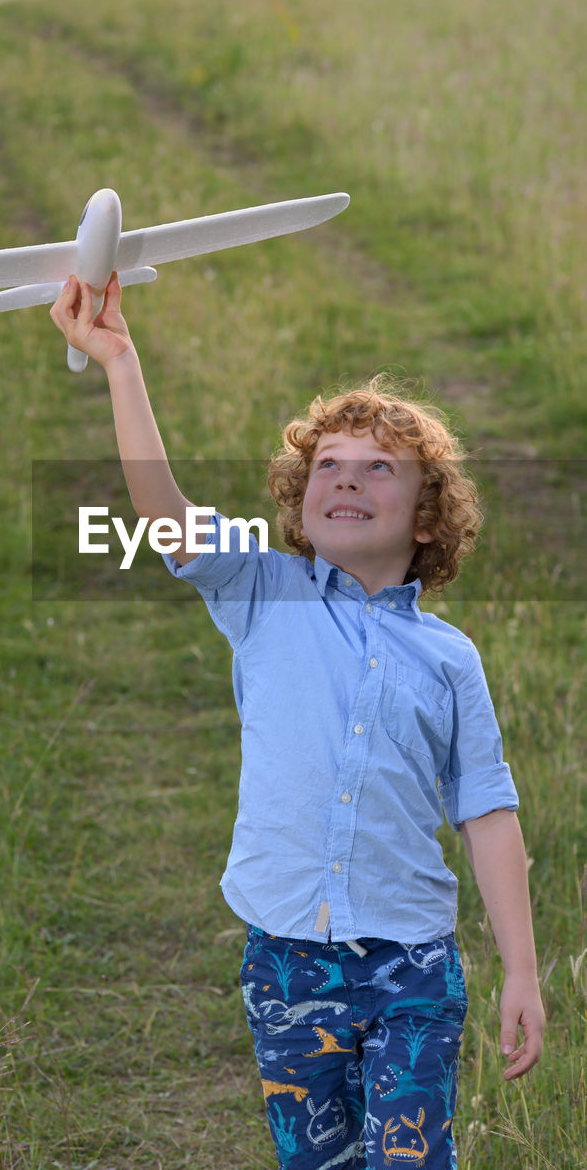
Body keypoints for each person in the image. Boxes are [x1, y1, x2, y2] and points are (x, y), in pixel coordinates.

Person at [49, 274, 545, 1169]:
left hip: (412, 970)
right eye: (328, 467)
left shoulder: (450, 659)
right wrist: (120, 362)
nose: (346, 480)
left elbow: (487, 811)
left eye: (378, 469)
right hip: (287, 963)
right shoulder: (261, 590)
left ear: (427, 518)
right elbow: (165, 517)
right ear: (300, 501)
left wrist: (522, 970)